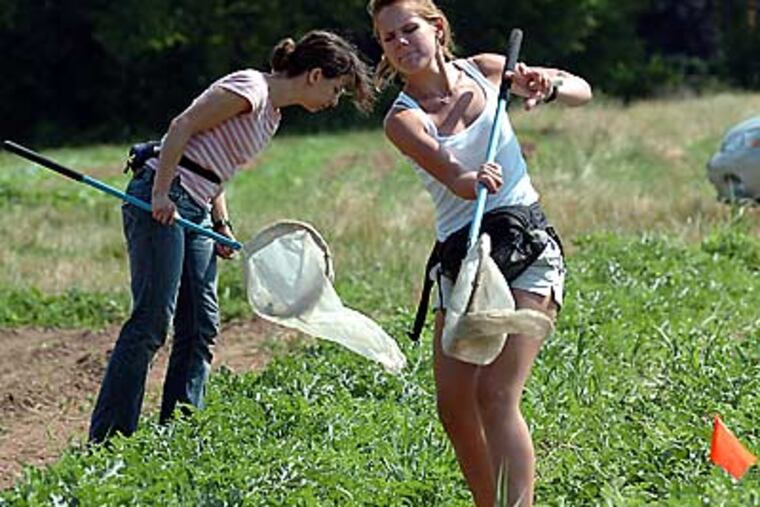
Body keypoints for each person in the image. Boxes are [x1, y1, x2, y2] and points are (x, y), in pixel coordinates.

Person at [89, 30, 374, 444]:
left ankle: (180, 435)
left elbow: (213, 168)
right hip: (162, 201)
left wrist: (221, 225)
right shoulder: (250, 89)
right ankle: (109, 441)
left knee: (201, 325)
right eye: (336, 89)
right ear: (314, 75)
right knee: (152, 322)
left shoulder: (271, 116)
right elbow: (181, 127)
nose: (334, 101)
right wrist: (161, 193)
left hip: (197, 208)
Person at [368, 1, 592, 505]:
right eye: (388, 39)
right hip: (463, 258)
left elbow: (582, 90)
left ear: (437, 28)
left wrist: (545, 85)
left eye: (409, 30)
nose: (401, 44)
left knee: (495, 394)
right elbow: (451, 173)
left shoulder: (489, 70)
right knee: (454, 405)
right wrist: (471, 180)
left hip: (525, 243)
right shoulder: (402, 120)